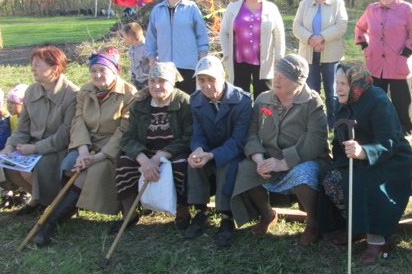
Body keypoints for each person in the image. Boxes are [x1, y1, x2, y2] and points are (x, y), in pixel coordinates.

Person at [31, 48, 137, 246]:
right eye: (93, 70)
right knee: (69, 164)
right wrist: (83, 150)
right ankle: (61, 212)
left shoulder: (129, 94)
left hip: (113, 149)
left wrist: (97, 157)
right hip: (86, 144)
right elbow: (78, 121)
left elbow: (124, 131)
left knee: (85, 173)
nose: (97, 75)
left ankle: (50, 224)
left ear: (115, 71)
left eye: (102, 70)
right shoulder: (85, 91)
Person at [230, 54, 331, 245]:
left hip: (307, 159)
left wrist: (283, 162)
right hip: (270, 157)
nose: (276, 79)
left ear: (297, 83)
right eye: (276, 74)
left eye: (283, 77)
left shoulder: (313, 102)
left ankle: (313, 222)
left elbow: (315, 141)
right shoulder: (263, 99)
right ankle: (267, 214)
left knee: (304, 173)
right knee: (245, 168)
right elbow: (251, 134)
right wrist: (259, 160)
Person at [320, 62, 412, 264]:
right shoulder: (341, 101)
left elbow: (390, 140)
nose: (339, 88)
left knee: (363, 183)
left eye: (344, 83)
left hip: (390, 158)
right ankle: (356, 226)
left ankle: (377, 240)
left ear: (356, 83)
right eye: (337, 83)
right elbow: (339, 136)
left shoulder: (377, 99)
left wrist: (364, 152)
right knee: (332, 180)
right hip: (354, 156)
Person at [0, 46, 79, 214]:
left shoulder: (72, 94)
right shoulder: (32, 90)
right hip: (31, 144)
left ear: (54, 68)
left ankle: (56, 204)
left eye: (37, 65)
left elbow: (66, 133)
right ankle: (38, 199)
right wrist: (10, 146)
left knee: (37, 166)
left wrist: (36, 148)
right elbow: (22, 127)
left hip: (58, 149)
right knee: (6, 165)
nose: (32, 69)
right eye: (32, 64)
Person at [114, 62, 192, 233]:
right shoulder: (140, 104)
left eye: (162, 81)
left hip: (173, 151)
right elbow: (128, 138)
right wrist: (144, 160)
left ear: (172, 82)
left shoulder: (184, 102)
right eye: (152, 81)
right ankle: (129, 213)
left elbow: (189, 136)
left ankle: (183, 211)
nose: (156, 86)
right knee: (124, 164)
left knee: (182, 165)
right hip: (146, 151)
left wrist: (160, 157)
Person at [184, 56, 252, 246]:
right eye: (201, 80)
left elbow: (239, 141)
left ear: (223, 76)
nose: (206, 86)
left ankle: (226, 217)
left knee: (227, 165)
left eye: (211, 79)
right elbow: (197, 133)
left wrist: (212, 155)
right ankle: (201, 212)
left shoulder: (242, 101)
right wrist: (198, 150)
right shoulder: (196, 100)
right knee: (194, 162)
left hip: (232, 153)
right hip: (208, 150)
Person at [355, 0, 412, 138]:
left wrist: (405, 53)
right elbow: (359, 27)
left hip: (398, 63)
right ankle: (378, 128)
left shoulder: (408, 9)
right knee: (376, 99)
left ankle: (405, 131)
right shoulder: (372, 9)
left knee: (402, 101)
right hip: (376, 63)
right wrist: (365, 46)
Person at [292, 0, 348, 127]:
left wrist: (321, 37)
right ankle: (314, 122)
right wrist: (311, 39)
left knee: (333, 91)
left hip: (330, 55)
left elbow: (341, 25)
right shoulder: (304, 4)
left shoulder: (338, 4)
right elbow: (297, 26)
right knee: (311, 90)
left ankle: (334, 123)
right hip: (309, 55)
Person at [220, 0, 285, 99]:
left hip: (264, 62)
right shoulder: (233, 8)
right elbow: (224, 32)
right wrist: (227, 53)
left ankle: (262, 119)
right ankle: (242, 119)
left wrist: (279, 57)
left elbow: (279, 35)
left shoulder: (271, 9)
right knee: (239, 96)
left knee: (264, 97)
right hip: (239, 60)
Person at [146, 0, 209, 95]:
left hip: (187, 64)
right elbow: (151, 36)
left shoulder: (191, 8)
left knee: (187, 98)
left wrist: (202, 55)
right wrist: (151, 57)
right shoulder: (157, 10)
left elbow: (201, 34)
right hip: (165, 65)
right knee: (167, 97)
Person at [121, 22, 150, 90]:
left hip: (147, 83)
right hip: (136, 82)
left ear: (131, 38)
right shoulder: (132, 49)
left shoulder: (146, 48)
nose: (123, 39)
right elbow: (133, 66)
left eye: (124, 36)